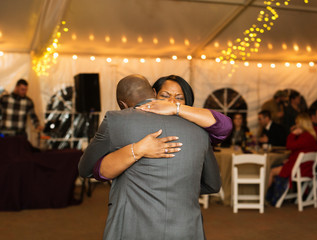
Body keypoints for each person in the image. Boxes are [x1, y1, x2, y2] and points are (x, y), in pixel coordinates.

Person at [78, 74, 221, 240]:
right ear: (154, 93)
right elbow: (213, 184)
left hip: (132, 229)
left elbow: (85, 169)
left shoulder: (116, 120)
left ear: (122, 104)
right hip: (187, 229)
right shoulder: (200, 129)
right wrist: (180, 185)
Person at [266, 113, 317, 205]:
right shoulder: (311, 136)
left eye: (297, 123)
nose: (296, 125)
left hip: (299, 169)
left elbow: (289, 146)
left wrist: (292, 134)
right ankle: (275, 195)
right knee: (277, 166)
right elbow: (299, 151)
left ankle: (265, 196)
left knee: (271, 171)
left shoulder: (305, 137)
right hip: (304, 167)